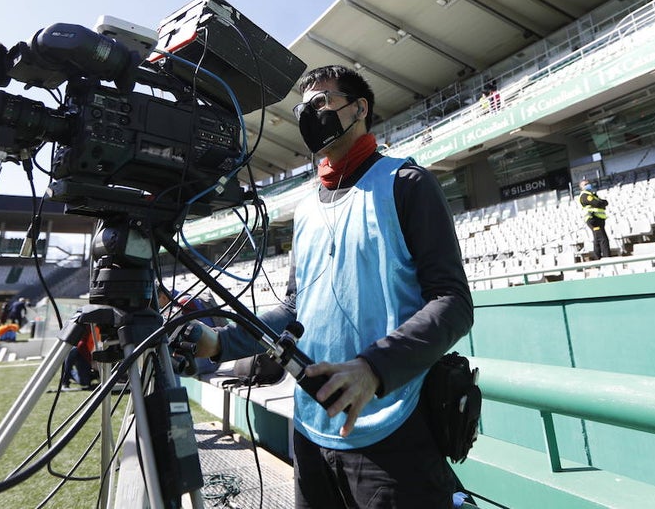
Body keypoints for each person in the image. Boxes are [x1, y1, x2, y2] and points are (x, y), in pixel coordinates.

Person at [191, 64, 474, 509]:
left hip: (392, 425)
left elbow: (453, 302)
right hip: (308, 428)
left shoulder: (408, 183)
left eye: (323, 102)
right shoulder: (305, 208)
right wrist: (219, 342)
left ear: (360, 108)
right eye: (305, 107)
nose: (310, 114)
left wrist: (372, 369)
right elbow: (293, 308)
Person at [577, 178, 611, 260]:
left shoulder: (592, 195)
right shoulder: (585, 196)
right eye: (585, 184)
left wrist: (602, 203)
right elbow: (597, 203)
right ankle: (607, 259)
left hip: (598, 219)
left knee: (597, 239)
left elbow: (603, 202)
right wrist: (602, 203)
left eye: (588, 183)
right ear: (581, 188)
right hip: (593, 219)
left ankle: (598, 258)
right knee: (603, 239)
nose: (588, 185)